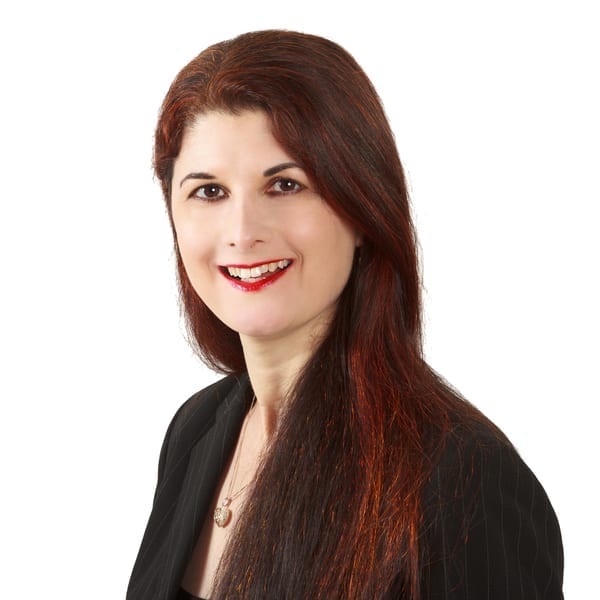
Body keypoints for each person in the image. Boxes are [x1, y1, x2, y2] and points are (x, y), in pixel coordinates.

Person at [127, 30, 564, 600]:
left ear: (362, 208)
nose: (241, 233)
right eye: (208, 192)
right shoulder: (196, 430)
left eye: (285, 185)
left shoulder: (462, 481)